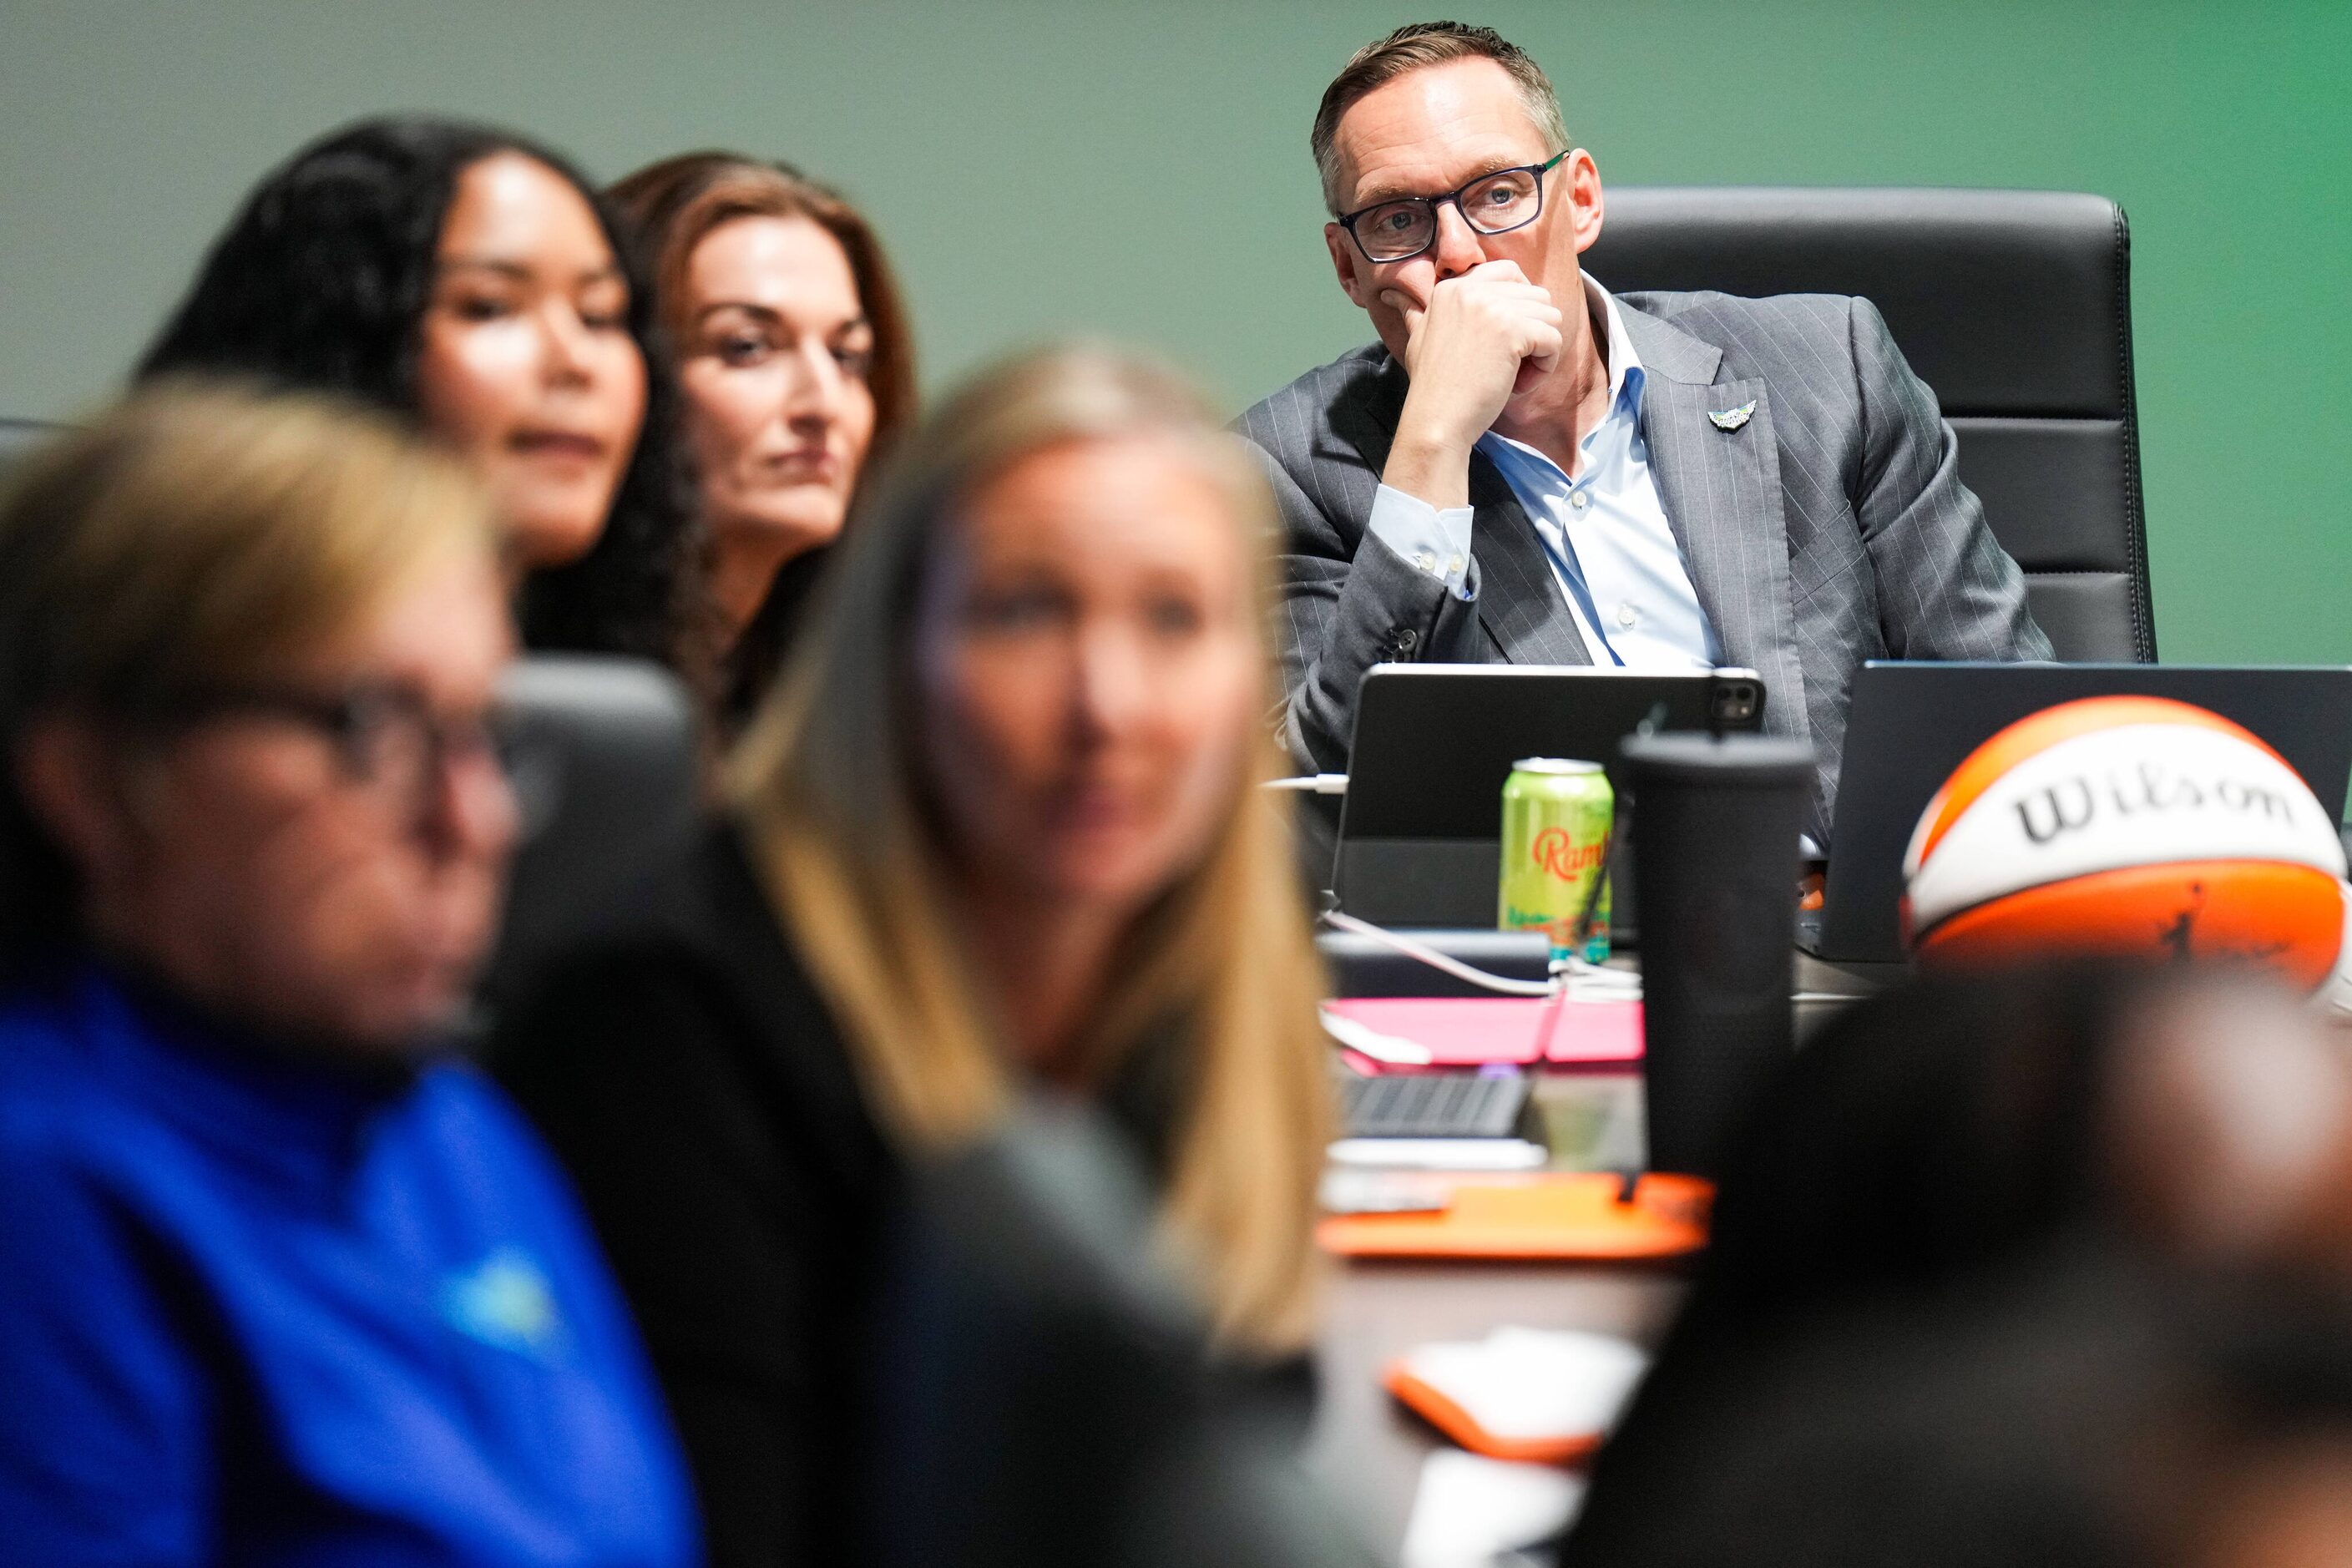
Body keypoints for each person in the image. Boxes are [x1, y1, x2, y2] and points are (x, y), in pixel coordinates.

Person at [493, 346, 1331, 1565]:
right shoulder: (667, 1018)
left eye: (1172, 618)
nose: (1108, 705)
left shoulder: (1214, 993)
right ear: (892, 653)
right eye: (1025, 610)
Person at [0, 385, 700, 1565]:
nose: (472, 819)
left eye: (483, 731)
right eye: (373, 726)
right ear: (92, 779)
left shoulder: (455, 1130)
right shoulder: (44, 1193)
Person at [1240, 22, 2050, 842]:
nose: (1458, 255)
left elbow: (2014, 716)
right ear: (1349, 267)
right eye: (1396, 219)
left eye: (1497, 192)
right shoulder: (1287, 469)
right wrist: (1431, 448)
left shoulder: (1831, 372)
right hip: (1542, 954)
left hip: (1841, 934)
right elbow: (1320, 817)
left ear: (1580, 199)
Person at [137, 117, 700, 670]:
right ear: (340, 345)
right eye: (489, 307)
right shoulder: (190, 681)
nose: (575, 362)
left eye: (600, 316)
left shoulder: (636, 691)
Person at [608, 152, 917, 723]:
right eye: (748, 347)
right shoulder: (518, 682)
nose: (823, 404)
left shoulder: (872, 709)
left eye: (848, 358)